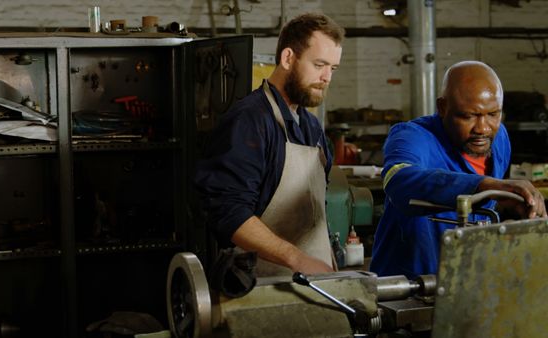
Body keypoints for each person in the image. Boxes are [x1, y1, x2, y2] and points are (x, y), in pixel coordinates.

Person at [194, 13, 345, 277]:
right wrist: (296, 259)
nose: (327, 77)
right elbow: (228, 212)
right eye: (319, 64)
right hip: (260, 287)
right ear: (288, 58)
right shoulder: (249, 121)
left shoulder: (311, 128)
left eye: (332, 68)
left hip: (315, 282)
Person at [369, 61, 547, 279]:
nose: (482, 128)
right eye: (469, 116)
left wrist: (512, 205)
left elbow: (487, 210)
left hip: (469, 280)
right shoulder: (413, 136)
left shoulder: (499, 139)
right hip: (408, 286)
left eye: (493, 114)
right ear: (443, 108)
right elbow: (399, 180)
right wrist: (484, 185)